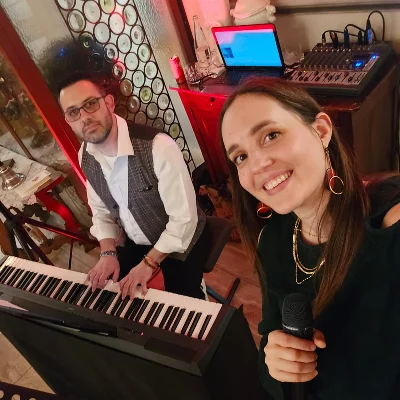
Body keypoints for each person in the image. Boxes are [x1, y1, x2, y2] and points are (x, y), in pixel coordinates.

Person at [219, 78, 400, 400]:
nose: (258, 164)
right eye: (241, 157)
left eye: (271, 135)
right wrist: (276, 363)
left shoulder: (389, 223)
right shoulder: (272, 241)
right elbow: (269, 347)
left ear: (321, 131)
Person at [58, 71, 208, 300]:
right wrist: (107, 252)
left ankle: (199, 290)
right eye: (73, 112)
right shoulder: (84, 155)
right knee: (111, 295)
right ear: (68, 121)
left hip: (181, 238)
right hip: (135, 239)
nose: (84, 118)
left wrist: (148, 264)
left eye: (90, 104)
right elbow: (100, 211)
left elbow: (184, 221)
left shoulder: (159, 148)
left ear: (109, 103)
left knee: (184, 301)